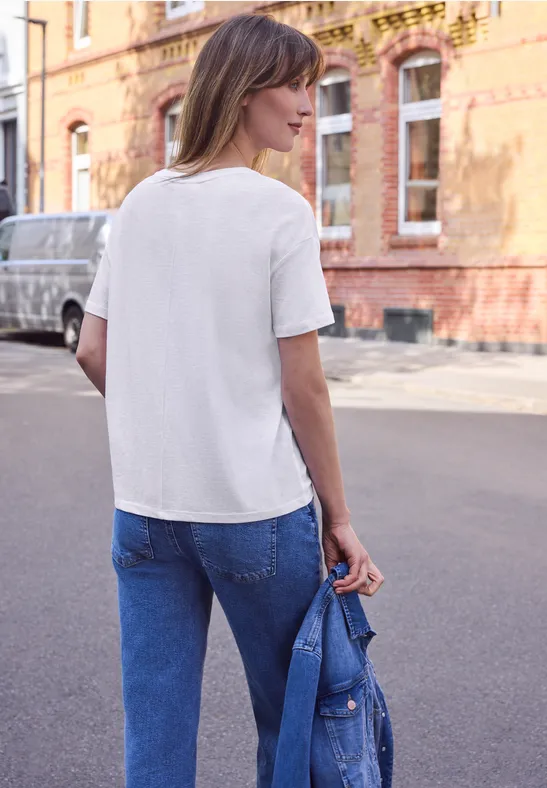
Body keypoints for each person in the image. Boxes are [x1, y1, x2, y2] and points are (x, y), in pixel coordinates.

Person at [76, 12, 384, 788]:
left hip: (143, 512)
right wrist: (338, 517)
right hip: (254, 514)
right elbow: (303, 383)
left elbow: (91, 348)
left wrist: (165, 418)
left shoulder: (141, 202)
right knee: (292, 715)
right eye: (294, 83)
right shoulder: (278, 211)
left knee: (155, 731)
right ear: (245, 89)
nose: (307, 104)